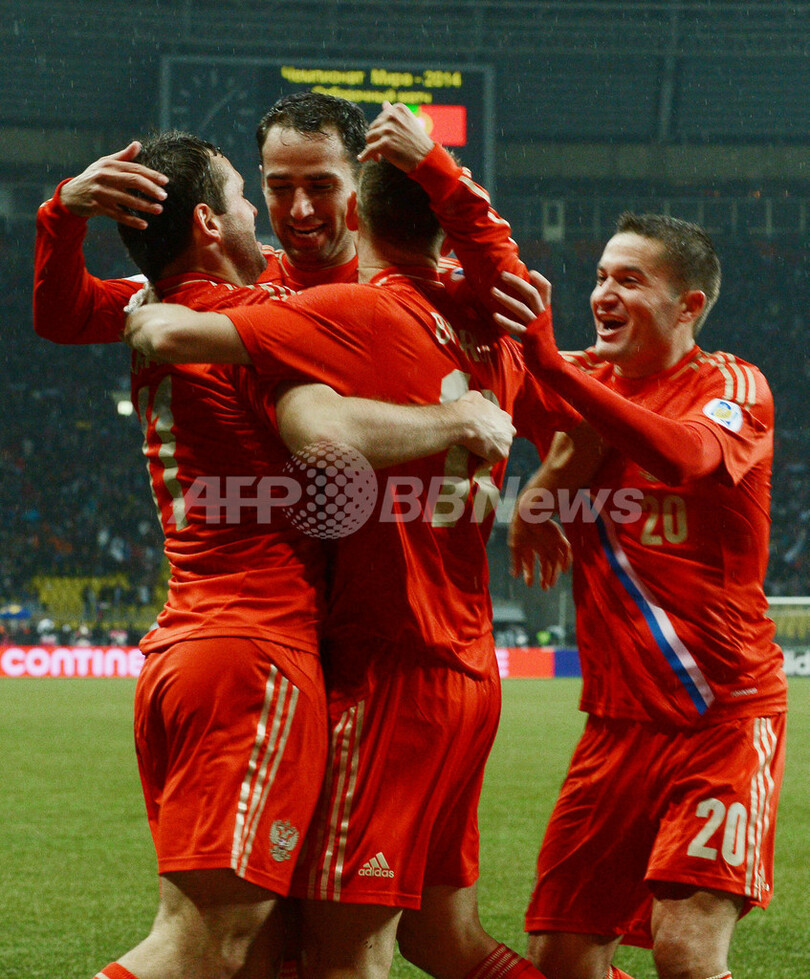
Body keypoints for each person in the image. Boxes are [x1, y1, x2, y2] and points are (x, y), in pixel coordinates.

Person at [36, 129, 516, 979]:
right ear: (209, 223)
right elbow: (321, 429)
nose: (284, 213)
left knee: (264, 951)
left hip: (197, 643)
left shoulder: (185, 299)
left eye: (319, 185)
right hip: (258, 652)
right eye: (261, 191)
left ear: (355, 198)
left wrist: (60, 218)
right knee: (214, 943)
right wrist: (459, 414)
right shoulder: (262, 321)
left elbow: (72, 315)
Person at [496, 213, 787, 979]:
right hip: (616, 726)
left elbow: (684, 455)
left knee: (684, 948)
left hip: (722, 714)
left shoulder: (732, 384)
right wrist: (539, 491)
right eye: (600, 277)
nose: (604, 293)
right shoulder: (583, 379)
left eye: (630, 279)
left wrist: (553, 372)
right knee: (562, 955)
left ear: (689, 305)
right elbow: (482, 384)